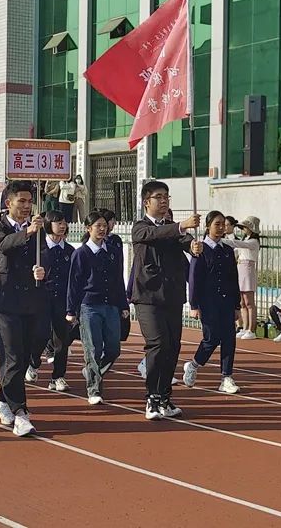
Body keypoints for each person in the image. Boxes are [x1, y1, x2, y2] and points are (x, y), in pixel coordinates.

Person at [130, 180, 201, 421]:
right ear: (146, 202)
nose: (163, 201)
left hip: (172, 296)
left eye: (166, 197)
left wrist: (194, 246)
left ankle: (164, 396)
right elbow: (155, 234)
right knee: (157, 344)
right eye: (158, 197)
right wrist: (181, 226)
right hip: (147, 298)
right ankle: (152, 396)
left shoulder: (173, 229)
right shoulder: (140, 227)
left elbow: (185, 242)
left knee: (172, 346)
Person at [0, 181, 49, 438]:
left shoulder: (37, 228)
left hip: (31, 299)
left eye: (29, 201)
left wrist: (43, 269)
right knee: (12, 355)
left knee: (25, 356)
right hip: (5, 300)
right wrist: (28, 232)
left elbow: (45, 255)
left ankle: (2, 400)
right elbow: (2, 245)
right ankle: (20, 412)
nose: (26, 206)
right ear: (8, 203)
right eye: (21, 201)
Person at [66, 211, 128, 405]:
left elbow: (119, 279)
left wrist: (123, 304)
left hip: (111, 306)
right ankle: (93, 389)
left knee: (113, 349)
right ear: (88, 228)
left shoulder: (113, 251)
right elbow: (74, 284)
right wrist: (70, 310)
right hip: (89, 306)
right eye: (97, 226)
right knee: (93, 349)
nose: (102, 229)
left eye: (104, 225)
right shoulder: (81, 254)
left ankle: (93, 371)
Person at [183, 211, 242, 394]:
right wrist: (194, 305)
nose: (221, 228)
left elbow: (233, 279)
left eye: (223, 224)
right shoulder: (200, 249)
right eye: (217, 224)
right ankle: (194, 364)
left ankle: (226, 377)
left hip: (226, 302)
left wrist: (237, 305)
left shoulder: (227, 251)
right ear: (208, 226)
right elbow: (194, 278)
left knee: (229, 339)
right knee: (211, 338)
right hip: (208, 302)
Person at [33, 211, 75, 392]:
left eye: (64, 222)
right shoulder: (38, 249)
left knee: (62, 340)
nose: (62, 225)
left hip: (62, 300)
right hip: (41, 299)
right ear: (48, 225)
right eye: (58, 222)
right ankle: (33, 362)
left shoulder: (70, 251)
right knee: (41, 335)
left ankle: (58, 376)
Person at [223, 216, 261, 341]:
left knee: (249, 302)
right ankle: (244, 327)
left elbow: (238, 244)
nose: (243, 229)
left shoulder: (253, 241)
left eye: (245, 227)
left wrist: (223, 240)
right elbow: (237, 251)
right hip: (240, 268)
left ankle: (251, 329)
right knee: (242, 302)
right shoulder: (246, 239)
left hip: (248, 269)